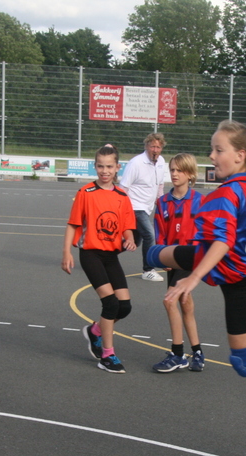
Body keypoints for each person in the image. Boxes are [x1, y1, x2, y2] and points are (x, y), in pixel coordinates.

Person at [146, 120, 246, 456]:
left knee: (242, 359)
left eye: (218, 150)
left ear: (240, 155)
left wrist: (193, 278)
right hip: (235, 268)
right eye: (212, 149)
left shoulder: (228, 194)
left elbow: (222, 241)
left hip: (222, 267)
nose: (211, 156)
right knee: (153, 254)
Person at [62, 144, 138, 373]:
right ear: (95, 166)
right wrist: (66, 252)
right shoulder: (85, 193)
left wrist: (129, 238)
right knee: (111, 304)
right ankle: (107, 355)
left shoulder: (122, 196)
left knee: (124, 307)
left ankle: (94, 331)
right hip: (91, 254)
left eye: (109, 167)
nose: (105, 171)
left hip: (111, 256)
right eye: (100, 166)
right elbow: (73, 224)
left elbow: (127, 226)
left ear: (117, 168)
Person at [152, 153, 206, 373]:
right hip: (172, 258)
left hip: (191, 258)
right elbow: (160, 232)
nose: (174, 174)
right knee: (185, 303)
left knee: (170, 300)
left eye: (179, 170)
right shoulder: (163, 202)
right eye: (172, 170)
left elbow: (206, 232)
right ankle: (198, 351)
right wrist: (161, 254)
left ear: (190, 174)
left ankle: (177, 354)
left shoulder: (200, 202)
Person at [121, 133, 168, 282]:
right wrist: (122, 210)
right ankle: (148, 270)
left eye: (158, 147)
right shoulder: (136, 163)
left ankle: (103, 253)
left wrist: (160, 201)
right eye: (153, 146)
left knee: (135, 241)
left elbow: (160, 184)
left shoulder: (161, 162)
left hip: (147, 208)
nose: (155, 150)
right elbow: (123, 188)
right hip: (134, 207)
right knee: (150, 235)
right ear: (146, 146)